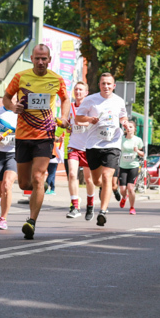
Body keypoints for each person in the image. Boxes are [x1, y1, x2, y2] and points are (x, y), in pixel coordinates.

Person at [3, 44, 70, 239]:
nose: (41, 62)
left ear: (49, 60)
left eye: (44, 59)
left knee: (39, 177)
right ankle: (40, 189)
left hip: (45, 134)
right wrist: (12, 106)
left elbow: (65, 99)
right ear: (31, 58)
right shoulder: (20, 77)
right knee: (25, 183)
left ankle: (31, 221)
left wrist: (64, 117)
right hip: (23, 135)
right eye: (37, 58)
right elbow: (6, 97)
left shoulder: (56, 79)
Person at [75, 72, 128, 227]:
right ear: (99, 85)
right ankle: (112, 187)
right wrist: (90, 119)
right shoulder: (90, 100)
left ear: (114, 86)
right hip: (93, 144)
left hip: (113, 144)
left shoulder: (119, 101)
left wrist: (124, 123)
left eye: (109, 84)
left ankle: (102, 212)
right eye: (103, 83)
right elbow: (78, 118)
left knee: (106, 177)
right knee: (98, 180)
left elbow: (123, 117)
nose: (106, 86)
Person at [65, 81, 95, 220]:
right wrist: (63, 129)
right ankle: (75, 206)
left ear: (86, 92)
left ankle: (90, 205)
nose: (78, 92)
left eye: (81, 90)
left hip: (88, 147)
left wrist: (82, 123)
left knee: (89, 179)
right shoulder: (70, 106)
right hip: (73, 145)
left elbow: (95, 123)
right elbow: (66, 123)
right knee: (72, 174)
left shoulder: (90, 107)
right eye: (76, 89)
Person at [118, 120, 144, 214]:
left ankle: (132, 207)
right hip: (123, 166)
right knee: (122, 189)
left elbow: (143, 154)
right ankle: (124, 197)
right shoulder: (121, 139)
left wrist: (137, 151)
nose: (128, 129)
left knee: (130, 188)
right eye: (127, 127)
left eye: (131, 127)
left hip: (133, 166)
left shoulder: (138, 140)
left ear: (134, 129)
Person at [46, 131, 64, 195]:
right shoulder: (56, 142)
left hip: (49, 159)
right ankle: (46, 186)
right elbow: (58, 151)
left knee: (51, 174)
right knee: (51, 174)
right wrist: (62, 160)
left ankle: (52, 189)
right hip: (54, 159)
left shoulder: (49, 141)